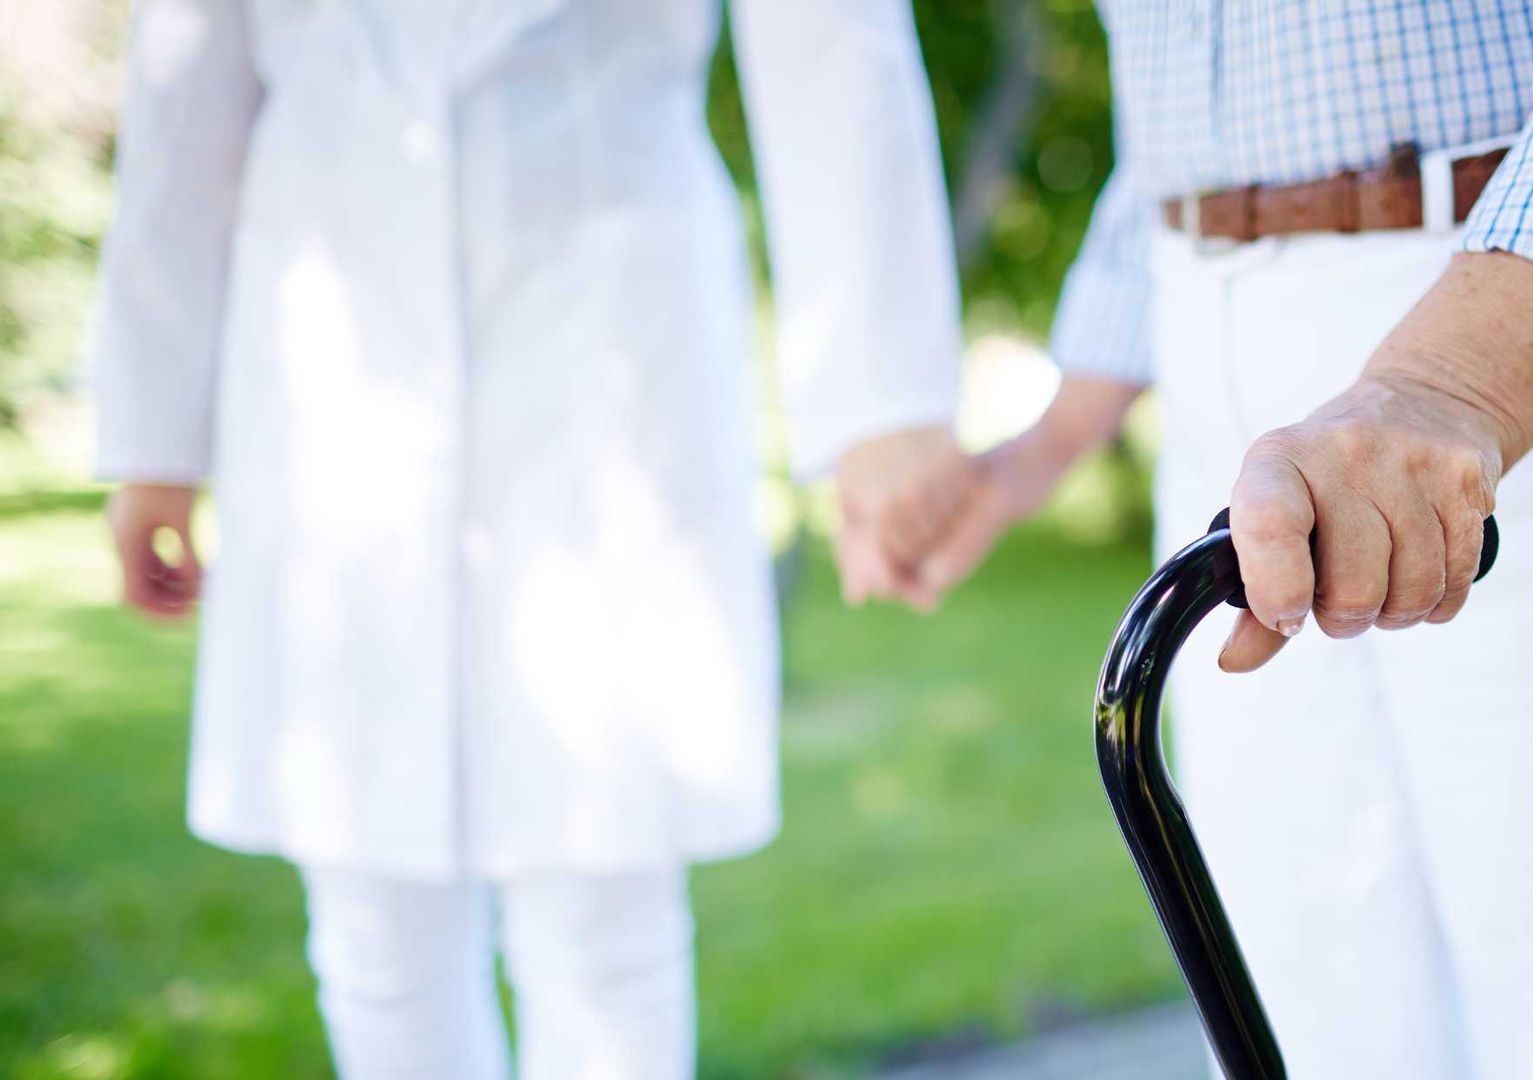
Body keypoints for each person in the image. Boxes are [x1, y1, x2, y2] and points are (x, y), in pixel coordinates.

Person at [886, 2, 1533, 1077]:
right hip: (1218, 340)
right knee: (1313, 1023)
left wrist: (1447, 384)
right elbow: (1197, 105)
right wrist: (1045, 444)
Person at [92, 1, 967, 1076]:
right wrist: (152, 433)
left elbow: (829, 39)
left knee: (606, 898)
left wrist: (885, 407)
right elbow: (182, 90)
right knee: (373, 912)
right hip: (324, 346)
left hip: (610, 324)